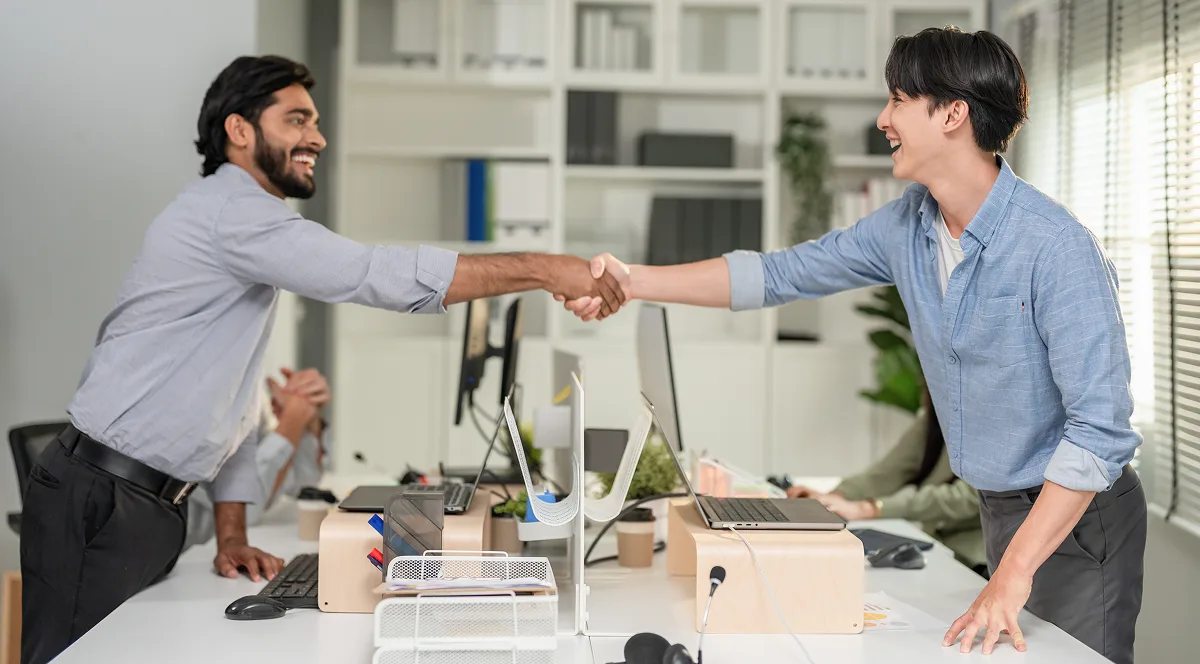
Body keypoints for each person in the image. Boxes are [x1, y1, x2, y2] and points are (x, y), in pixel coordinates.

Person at [564, 27, 1147, 663]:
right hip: (1001, 512)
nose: (883, 118)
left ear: (953, 113)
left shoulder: (1055, 248)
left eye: (898, 100)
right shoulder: (908, 226)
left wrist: (1012, 575)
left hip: (1079, 520)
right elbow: (779, 274)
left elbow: (1098, 432)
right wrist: (633, 279)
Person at [19, 54, 626, 664]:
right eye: (298, 120)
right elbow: (370, 275)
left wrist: (232, 533)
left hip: (149, 507)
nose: (318, 137)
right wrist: (543, 268)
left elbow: (231, 405)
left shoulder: (243, 228)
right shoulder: (235, 216)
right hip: (102, 496)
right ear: (240, 130)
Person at [786, 391, 987, 576]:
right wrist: (834, 497)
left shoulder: (994, 421)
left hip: (978, 561)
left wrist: (870, 508)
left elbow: (966, 497)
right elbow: (887, 473)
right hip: (937, 546)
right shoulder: (938, 412)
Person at [185, 367, 331, 549]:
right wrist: (291, 422)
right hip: (183, 561)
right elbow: (244, 508)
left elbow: (301, 486)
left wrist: (309, 420)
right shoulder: (191, 388)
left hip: (218, 555)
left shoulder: (250, 379)